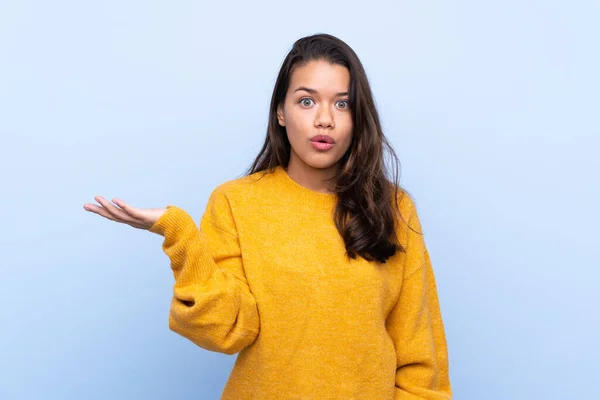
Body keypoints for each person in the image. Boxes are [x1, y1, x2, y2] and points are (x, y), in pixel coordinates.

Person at [83, 33, 452, 399]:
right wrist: (180, 234)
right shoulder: (236, 202)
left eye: (342, 105)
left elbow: (421, 360)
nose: (325, 119)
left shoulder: (392, 206)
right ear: (280, 112)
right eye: (306, 101)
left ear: (358, 117)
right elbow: (226, 329)